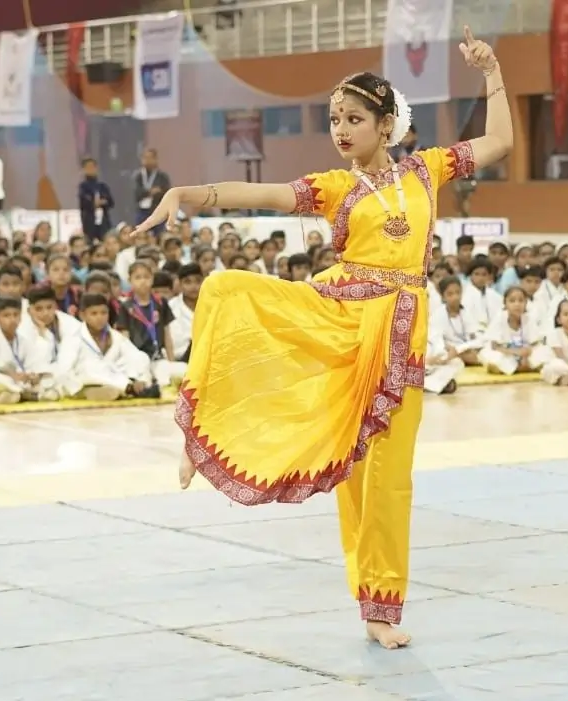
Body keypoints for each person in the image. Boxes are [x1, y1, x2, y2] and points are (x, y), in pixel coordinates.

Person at [134, 27, 511, 650]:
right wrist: (187, 194)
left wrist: (492, 71)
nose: (341, 129)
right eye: (335, 119)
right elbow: (262, 194)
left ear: (386, 124)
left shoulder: (428, 170)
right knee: (227, 289)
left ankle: (380, 607)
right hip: (339, 324)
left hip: (398, 337)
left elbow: (499, 141)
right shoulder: (336, 187)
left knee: (388, 479)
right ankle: (202, 426)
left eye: (355, 118)